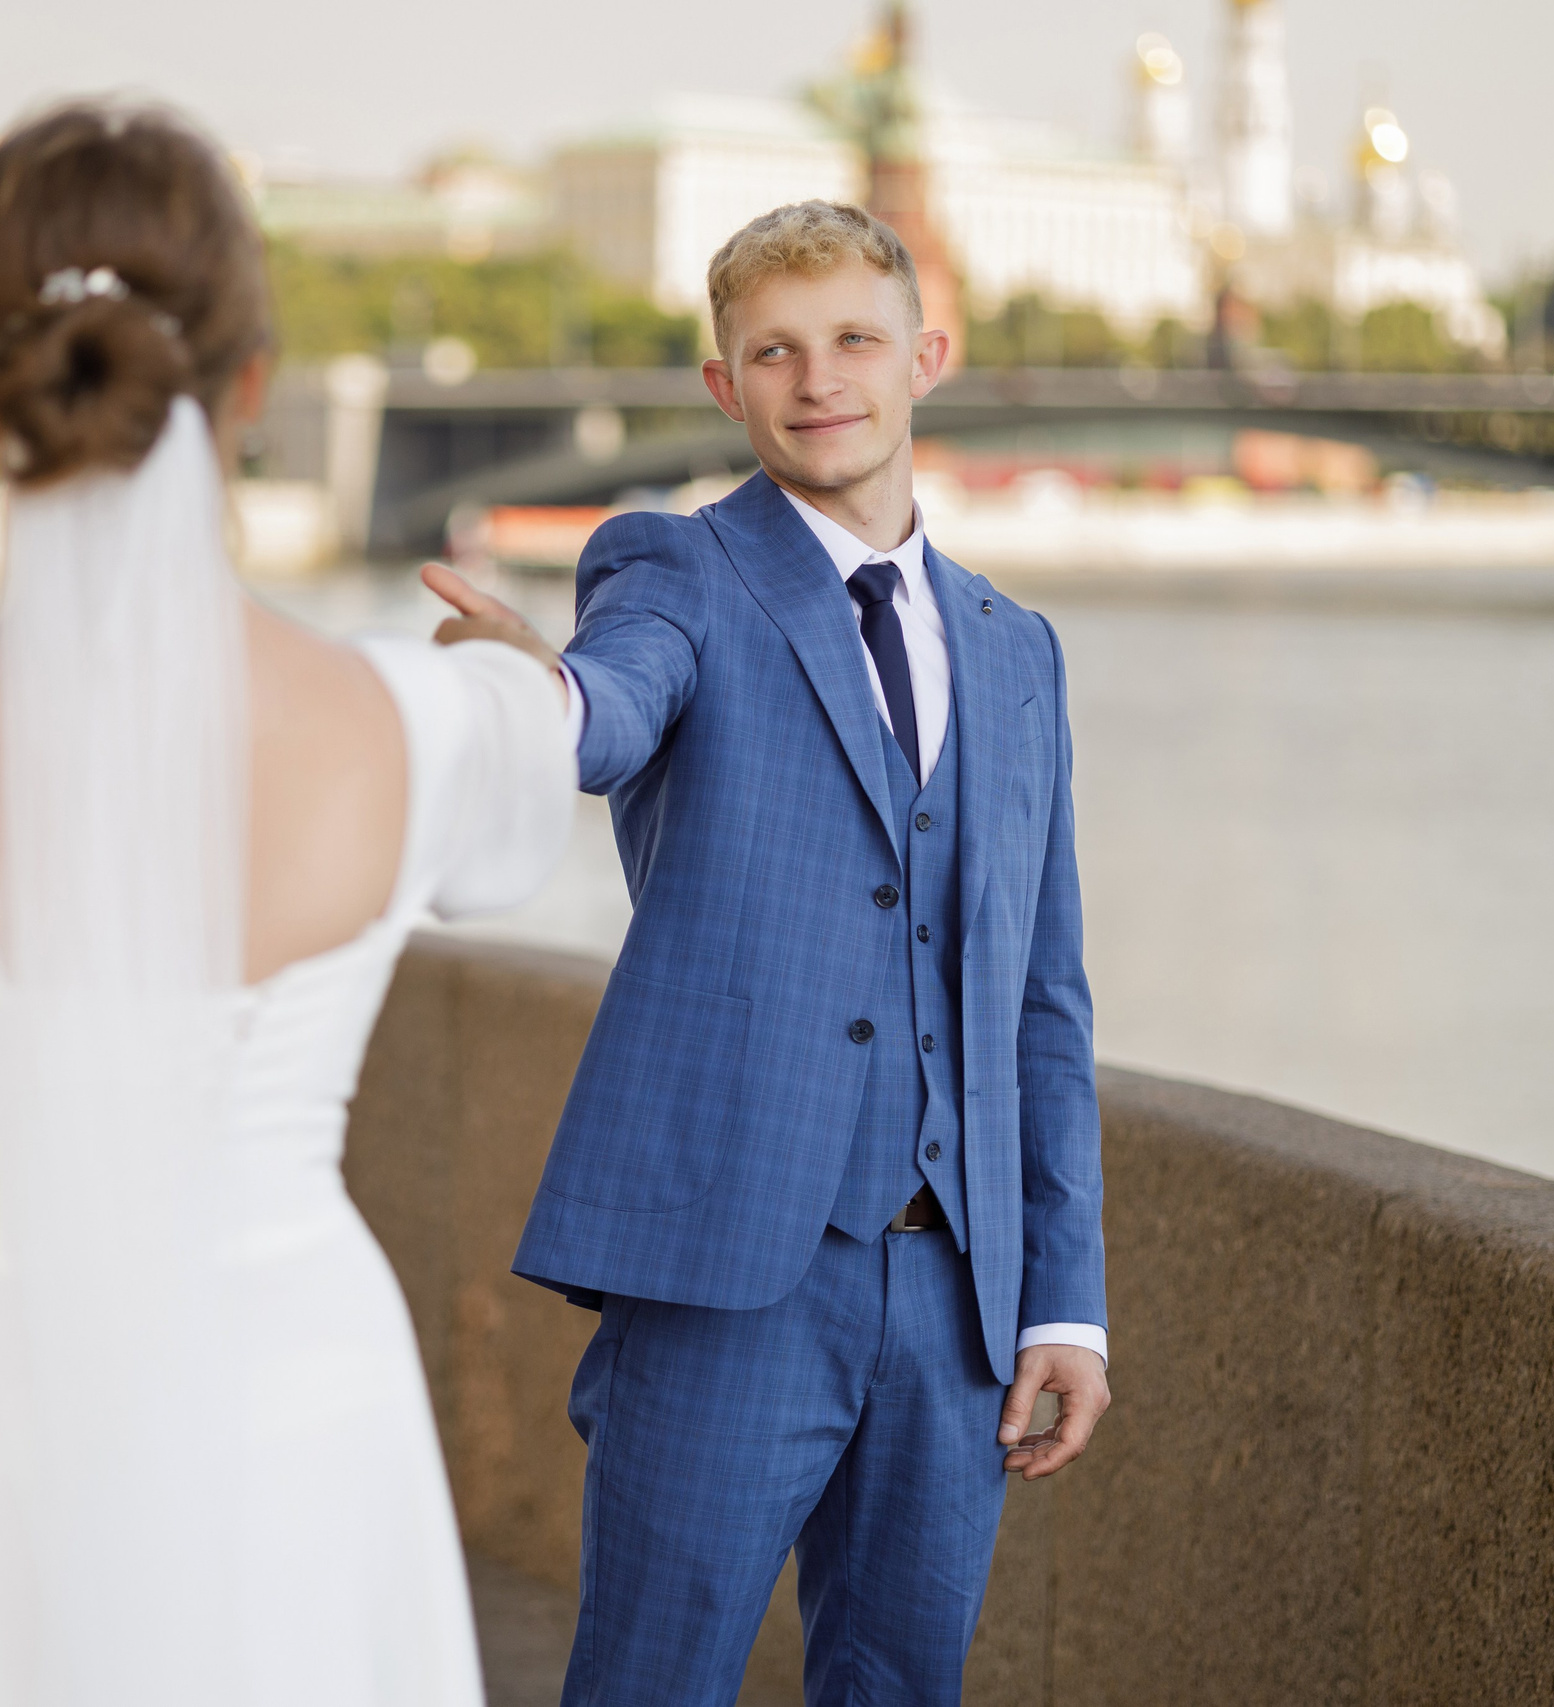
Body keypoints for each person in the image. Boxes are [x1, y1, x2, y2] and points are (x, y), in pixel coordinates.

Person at [0, 103, 575, 1707]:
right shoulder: (432, 735)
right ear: (252, 384)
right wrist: (504, 672)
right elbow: (520, 803)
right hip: (298, 1424)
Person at [427, 200, 1111, 1705]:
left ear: (925, 356)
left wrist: (1065, 1303)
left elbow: (1044, 1009)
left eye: (855, 340)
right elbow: (608, 703)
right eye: (775, 353)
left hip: (957, 1306)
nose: (821, 379)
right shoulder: (674, 569)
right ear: (724, 389)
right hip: (734, 1277)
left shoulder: (1019, 653)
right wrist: (527, 697)